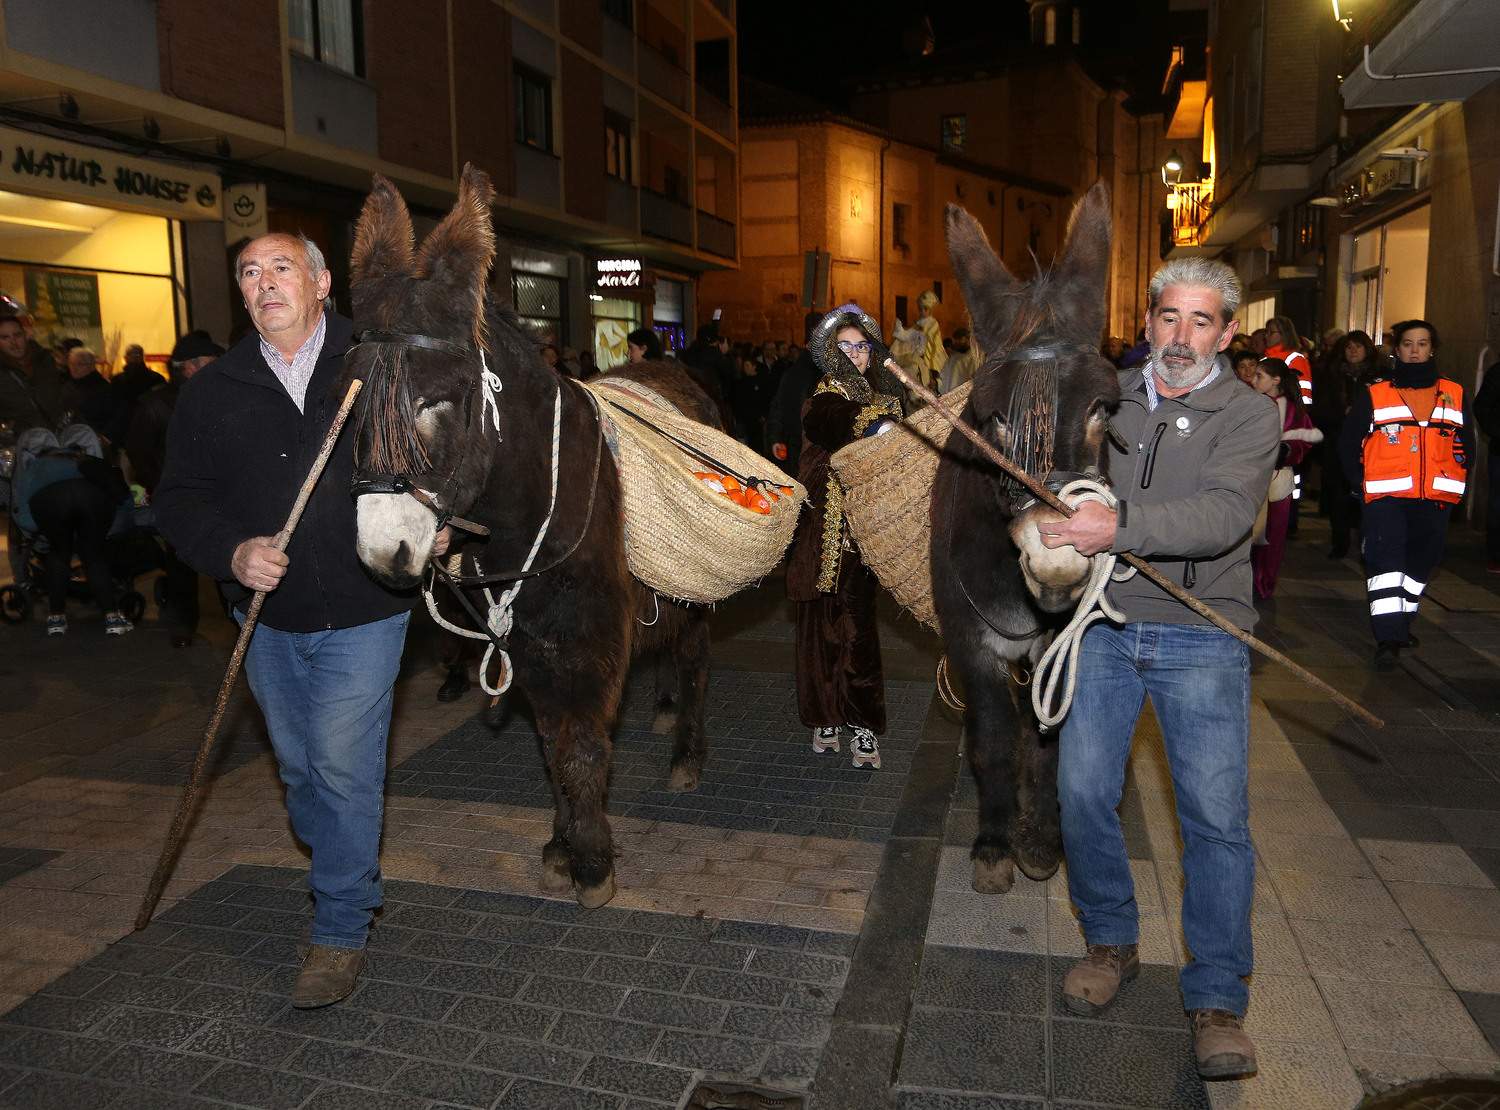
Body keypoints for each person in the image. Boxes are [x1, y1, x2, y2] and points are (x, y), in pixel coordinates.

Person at [155, 232, 421, 1009]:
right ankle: (343, 850)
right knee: (304, 773)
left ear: (321, 282)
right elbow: (179, 500)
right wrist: (232, 553)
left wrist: (433, 521)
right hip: (266, 617)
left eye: (281, 268)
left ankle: (339, 928)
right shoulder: (214, 388)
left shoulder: (379, 364)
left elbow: (441, 457)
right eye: (250, 272)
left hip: (367, 606)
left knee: (341, 766)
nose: (264, 283)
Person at [1040, 257, 1278, 1080]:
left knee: (1214, 821)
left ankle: (1216, 997)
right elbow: (1060, 476)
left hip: (1202, 634)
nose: (1181, 336)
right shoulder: (1105, 400)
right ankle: (1110, 941)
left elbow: (1223, 515)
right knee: (1080, 792)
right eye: (1168, 317)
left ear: (1227, 332)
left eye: (1200, 321)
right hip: (1102, 624)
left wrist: (1118, 525)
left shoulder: (1249, 414)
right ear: (1147, 322)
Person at [785, 304, 904, 771]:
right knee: (818, 628)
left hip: (863, 533)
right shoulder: (823, 397)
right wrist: (877, 427)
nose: (855, 354)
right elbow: (834, 419)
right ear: (831, 354)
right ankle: (825, 717)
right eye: (845, 347)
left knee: (858, 630)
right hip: (821, 532)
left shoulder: (887, 398)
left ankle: (862, 724)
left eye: (862, 346)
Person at [1341, 319, 1472, 669]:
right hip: (1386, 498)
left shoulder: (1455, 393)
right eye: (1408, 344)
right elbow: (1349, 442)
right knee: (1385, 563)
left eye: (1422, 344)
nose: (1415, 350)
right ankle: (1388, 636)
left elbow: (1467, 445)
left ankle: (1403, 618)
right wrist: (1358, 483)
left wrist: (1458, 485)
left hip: (1436, 497)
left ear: (1432, 349)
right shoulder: (1375, 393)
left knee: (1422, 562)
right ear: (1397, 350)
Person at [126, 330, 223, 647]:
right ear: (189, 367)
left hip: (221, 496)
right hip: (178, 499)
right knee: (181, 565)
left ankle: (239, 625)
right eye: (211, 361)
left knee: (226, 559)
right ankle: (183, 626)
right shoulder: (155, 404)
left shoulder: (221, 397)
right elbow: (139, 451)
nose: (219, 366)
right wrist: (163, 484)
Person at [13, 424, 134, 636]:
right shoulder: (85, 460)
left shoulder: (36, 467)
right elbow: (119, 496)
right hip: (91, 497)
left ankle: (56, 619)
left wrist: (38, 532)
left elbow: (22, 511)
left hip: (49, 500)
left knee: (59, 553)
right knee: (93, 556)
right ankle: (112, 618)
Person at [1250, 357, 1322, 599]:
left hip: (1277, 479)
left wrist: (1287, 449)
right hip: (1249, 478)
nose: (1253, 380)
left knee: (1272, 536)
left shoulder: (1292, 409)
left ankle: (1264, 583)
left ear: (1276, 380)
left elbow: (1305, 439)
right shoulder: (1248, 404)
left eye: (1259, 376)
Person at [1312, 330, 1383, 559]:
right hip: (1337, 443)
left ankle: (1366, 543)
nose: (1353, 351)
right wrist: (1342, 414)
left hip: (1370, 446)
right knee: (1338, 495)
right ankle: (1339, 542)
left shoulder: (1378, 378)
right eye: (1348, 347)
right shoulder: (1331, 376)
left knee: (1366, 496)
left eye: (1358, 347)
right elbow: (1320, 409)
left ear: (1367, 350)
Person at [0, 298, 65, 434]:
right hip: (20, 442)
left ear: (25, 335)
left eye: (17, 335)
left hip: (57, 438)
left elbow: (64, 401)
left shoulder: (46, 361)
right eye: (5, 337)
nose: (13, 342)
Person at [1474, 361, 1500, 575]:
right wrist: (1496, 431)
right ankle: (1496, 555)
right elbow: (1482, 406)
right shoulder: (1497, 372)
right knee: (1497, 504)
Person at [61, 347, 116, 437]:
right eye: (71, 364)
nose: (74, 368)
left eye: (79, 364)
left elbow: (109, 418)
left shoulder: (103, 388)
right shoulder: (69, 384)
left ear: (91, 365)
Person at [940, 327, 982, 393]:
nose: (957, 342)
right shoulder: (952, 359)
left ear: (968, 339)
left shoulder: (976, 357)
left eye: (960, 339)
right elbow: (943, 376)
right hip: (950, 394)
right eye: (956, 340)